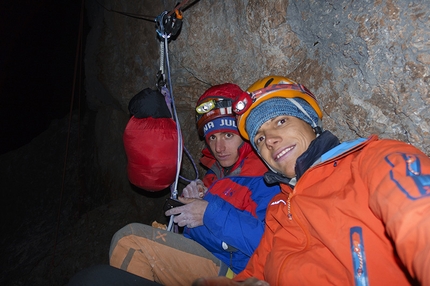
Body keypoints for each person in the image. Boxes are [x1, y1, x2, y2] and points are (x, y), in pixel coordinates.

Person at [193, 76, 430, 286]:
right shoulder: (279, 210)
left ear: (309, 121)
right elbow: (254, 273)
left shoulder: (373, 160)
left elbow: (418, 219)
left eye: (281, 121)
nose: (270, 140)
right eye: (260, 137)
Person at [109, 83, 281, 286]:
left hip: (236, 274)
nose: (219, 147)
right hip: (205, 257)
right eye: (213, 137)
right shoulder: (213, 178)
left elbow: (270, 244)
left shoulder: (265, 179)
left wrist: (208, 211)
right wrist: (190, 207)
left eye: (228, 135)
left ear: (244, 136)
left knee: (129, 241)